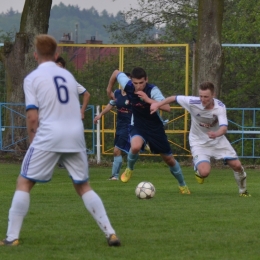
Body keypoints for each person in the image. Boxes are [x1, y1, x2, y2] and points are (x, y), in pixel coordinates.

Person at [0, 34, 120, 247]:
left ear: (35, 54)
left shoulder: (33, 78)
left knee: (24, 182)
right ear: (56, 55)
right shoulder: (68, 77)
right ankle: (110, 233)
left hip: (48, 134)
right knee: (83, 186)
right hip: (75, 135)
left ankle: (11, 238)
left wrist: (32, 140)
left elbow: (32, 116)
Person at [150, 81, 251, 197]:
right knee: (204, 172)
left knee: (237, 166)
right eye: (201, 96)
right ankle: (198, 168)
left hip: (218, 140)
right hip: (198, 142)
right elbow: (174, 98)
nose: (203, 99)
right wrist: (158, 105)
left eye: (206, 97)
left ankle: (243, 191)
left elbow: (224, 128)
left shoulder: (220, 107)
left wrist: (216, 134)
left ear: (213, 95)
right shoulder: (193, 102)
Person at [106, 67, 190, 194]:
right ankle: (129, 169)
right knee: (135, 147)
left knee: (169, 159)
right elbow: (116, 72)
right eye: (135, 83)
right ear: (131, 81)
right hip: (138, 125)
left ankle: (182, 185)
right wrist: (109, 89)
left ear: (146, 80)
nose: (138, 86)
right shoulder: (128, 85)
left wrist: (148, 99)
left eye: (141, 83)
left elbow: (167, 108)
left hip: (155, 128)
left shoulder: (152, 90)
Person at [94, 73, 132, 180]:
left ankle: (117, 175)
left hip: (129, 126)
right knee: (121, 151)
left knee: (117, 150)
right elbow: (111, 105)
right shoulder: (117, 93)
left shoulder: (133, 95)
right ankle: (117, 175)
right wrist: (100, 115)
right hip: (119, 125)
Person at [55, 56, 91, 169]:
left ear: (64, 68)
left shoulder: (70, 81)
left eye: (60, 67)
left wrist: (82, 111)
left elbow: (86, 94)